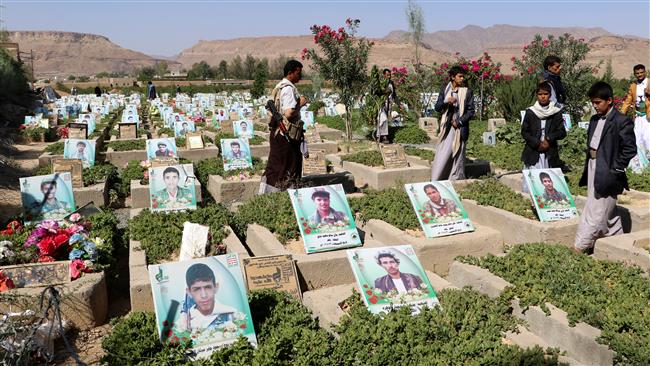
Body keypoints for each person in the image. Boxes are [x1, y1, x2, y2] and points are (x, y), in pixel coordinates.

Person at [573, 82, 636, 253]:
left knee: (596, 210)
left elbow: (630, 149)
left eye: (598, 102)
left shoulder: (621, 121)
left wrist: (616, 168)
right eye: (593, 103)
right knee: (608, 209)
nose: (595, 106)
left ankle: (581, 245)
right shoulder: (594, 119)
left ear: (609, 101)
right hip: (594, 166)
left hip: (608, 170)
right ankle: (616, 242)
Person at [260, 60, 307, 193]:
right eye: (298, 73)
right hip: (286, 135)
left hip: (278, 133)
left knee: (277, 165)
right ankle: (287, 196)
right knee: (288, 165)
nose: (300, 76)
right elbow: (289, 113)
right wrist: (301, 103)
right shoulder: (288, 89)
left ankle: (272, 195)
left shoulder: (280, 86)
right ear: (290, 73)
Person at [430, 66, 475, 181]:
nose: (462, 78)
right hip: (447, 127)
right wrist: (447, 101)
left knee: (458, 154)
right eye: (460, 76)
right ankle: (438, 178)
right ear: (452, 77)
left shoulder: (467, 92)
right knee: (443, 153)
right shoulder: (445, 89)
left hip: (459, 128)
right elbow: (437, 108)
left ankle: (455, 178)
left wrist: (459, 122)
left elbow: (471, 111)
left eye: (463, 76)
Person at [177, 263, 238, 333]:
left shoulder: (232, 314)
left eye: (207, 287)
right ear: (189, 292)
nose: (204, 295)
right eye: (196, 289)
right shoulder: (183, 324)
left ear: (216, 287)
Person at [521, 82, 566, 172]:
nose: (543, 96)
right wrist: (537, 143)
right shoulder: (531, 112)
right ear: (537, 95)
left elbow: (562, 132)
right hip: (533, 150)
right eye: (540, 94)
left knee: (548, 178)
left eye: (545, 94)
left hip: (550, 150)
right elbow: (525, 132)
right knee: (533, 178)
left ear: (550, 95)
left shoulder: (556, 111)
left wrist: (548, 138)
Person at [620, 64, 650, 156]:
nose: (640, 75)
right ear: (634, 74)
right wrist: (620, 115)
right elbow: (628, 101)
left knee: (647, 138)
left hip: (648, 115)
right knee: (637, 138)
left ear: (645, 72)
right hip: (638, 116)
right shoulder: (633, 86)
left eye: (641, 72)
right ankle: (641, 162)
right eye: (637, 73)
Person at [377, 68, 398, 144]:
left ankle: (381, 136)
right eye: (387, 75)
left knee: (387, 120)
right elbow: (378, 93)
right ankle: (384, 136)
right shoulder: (381, 83)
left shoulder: (391, 83)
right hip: (382, 103)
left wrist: (398, 103)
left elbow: (394, 94)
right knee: (383, 119)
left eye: (389, 75)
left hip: (389, 104)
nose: (388, 76)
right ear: (384, 75)